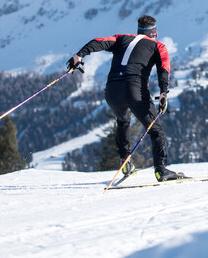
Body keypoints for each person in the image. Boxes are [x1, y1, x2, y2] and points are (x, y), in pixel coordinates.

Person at [67, 14, 184, 182]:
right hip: (134, 90)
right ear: (154, 33)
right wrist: (164, 92)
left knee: (123, 121)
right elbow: (163, 68)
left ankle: (126, 163)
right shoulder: (159, 46)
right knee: (156, 131)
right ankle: (161, 170)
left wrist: (79, 55)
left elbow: (98, 42)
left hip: (112, 91)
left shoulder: (121, 38)